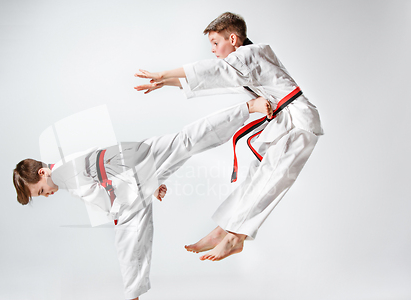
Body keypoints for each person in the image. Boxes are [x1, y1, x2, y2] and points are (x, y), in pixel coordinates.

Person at [13, 96, 272, 300]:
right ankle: (249, 107)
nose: (46, 195)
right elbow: (104, 170)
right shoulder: (64, 167)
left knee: (127, 242)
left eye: (40, 190)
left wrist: (146, 186)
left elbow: (100, 193)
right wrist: (149, 182)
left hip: (133, 170)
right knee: (188, 139)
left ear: (42, 172)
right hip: (138, 158)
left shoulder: (64, 175)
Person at [134, 12, 323, 262]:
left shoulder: (250, 55)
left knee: (271, 179)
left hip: (298, 123)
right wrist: (165, 82)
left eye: (215, 42)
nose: (212, 49)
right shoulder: (249, 59)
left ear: (232, 38)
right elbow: (215, 81)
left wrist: (163, 73)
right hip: (285, 122)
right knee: (256, 177)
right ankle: (224, 230)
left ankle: (236, 237)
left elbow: (212, 71)